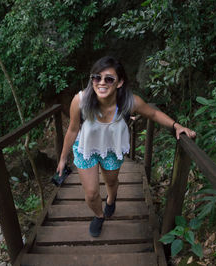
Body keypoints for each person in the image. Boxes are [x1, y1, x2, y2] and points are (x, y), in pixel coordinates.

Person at [56, 56, 196, 237]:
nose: (101, 83)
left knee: (111, 182)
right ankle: (99, 216)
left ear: (119, 82)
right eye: (96, 78)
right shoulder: (81, 100)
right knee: (91, 194)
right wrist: (62, 158)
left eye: (109, 79)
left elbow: (153, 113)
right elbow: (73, 129)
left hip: (113, 149)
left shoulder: (130, 102)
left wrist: (176, 126)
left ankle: (111, 200)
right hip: (86, 148)